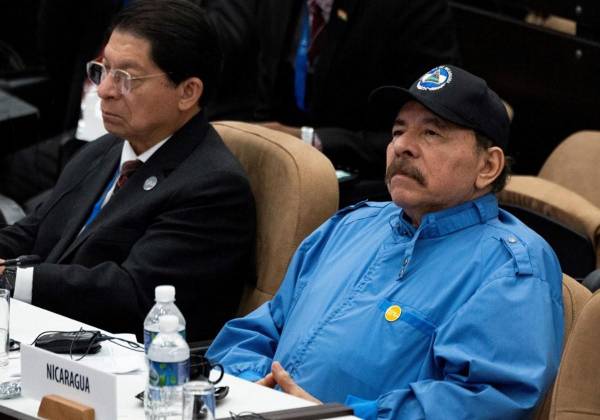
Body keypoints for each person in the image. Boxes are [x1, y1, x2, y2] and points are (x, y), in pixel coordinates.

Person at [207, 65, 564, 418]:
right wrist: (257, 391)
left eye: (431, 134)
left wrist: (343, 417)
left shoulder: (511, 266)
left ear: (487, 167)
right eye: (397, 131)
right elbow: (257, 330)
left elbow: (482, 401)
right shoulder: (351, 225)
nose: (402, 147)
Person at [0, 0, 256, 342]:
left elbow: (134, 294)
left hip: (122, 368)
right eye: (102, 70)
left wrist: (13, 279)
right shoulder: (104, 149)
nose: (104, 91)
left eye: (126, 78)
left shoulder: (213, 187)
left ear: (188, 92)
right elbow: (33, 232)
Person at [201, 0, 460, 203]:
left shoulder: (415, 9)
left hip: (368, 178)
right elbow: (258, 92)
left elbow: (430, 134)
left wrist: (310, 139)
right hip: (282, 162)